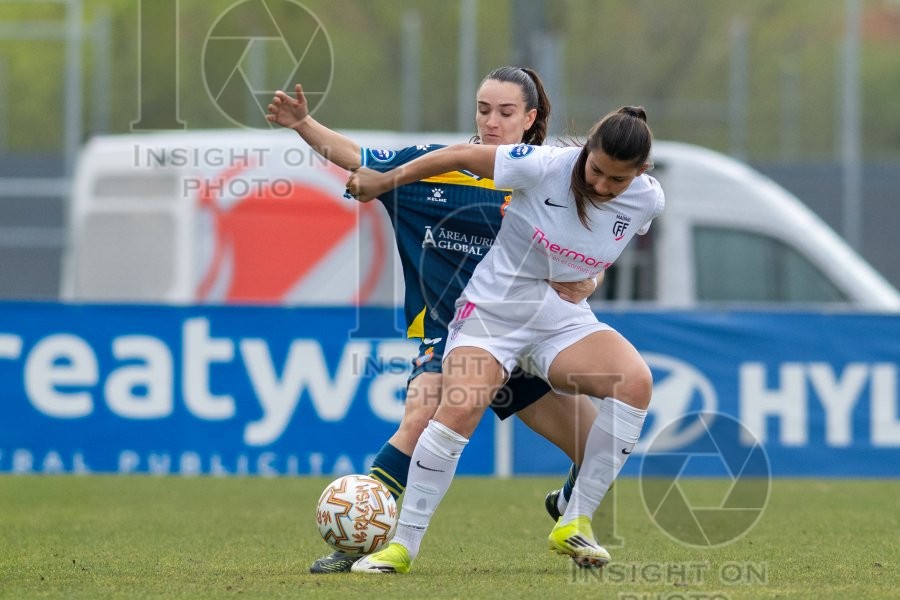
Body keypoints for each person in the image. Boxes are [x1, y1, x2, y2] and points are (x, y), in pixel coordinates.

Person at [266, 67, 602, 573]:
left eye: (506, 112)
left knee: (600, 447)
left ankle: (569, 509)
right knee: (422, 417)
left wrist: (587, 283)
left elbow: (585, 257)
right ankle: (356, 540)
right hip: (453, 335)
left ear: (530, 118)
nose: (492, 121)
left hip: (524, 337)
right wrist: (304, 124)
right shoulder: (434, 168)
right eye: (484, 109)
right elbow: (359, 159)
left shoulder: (547, 184)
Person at [347, 106, 664, 573]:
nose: (600, 185)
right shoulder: (541, 165)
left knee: (634, 382)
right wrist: (384, 180)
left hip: (559, 318)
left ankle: (574, 521)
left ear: (639, 173)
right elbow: (455, 155)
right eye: (595, 169)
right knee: (460, 408)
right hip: (493, 312)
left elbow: (595, 246)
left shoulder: (647, 200)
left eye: (617, 180)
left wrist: (590, 280)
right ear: (586, 150)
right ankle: (402, 546)